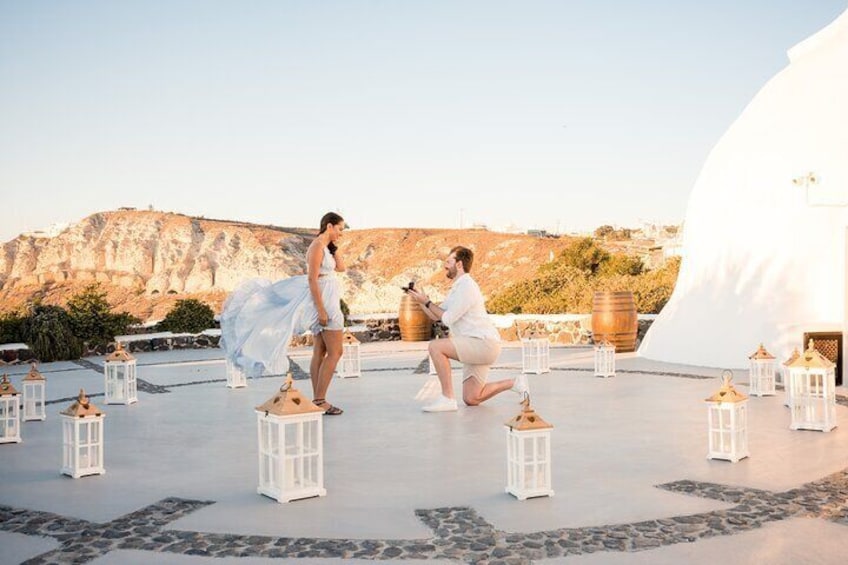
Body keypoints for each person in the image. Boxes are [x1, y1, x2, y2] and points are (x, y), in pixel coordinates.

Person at [220, 212, 347, 415]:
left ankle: (318, 399)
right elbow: (312, 280)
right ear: (329, 226)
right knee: (335, 352)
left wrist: (334, 247)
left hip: (328, 300)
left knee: (321, 352)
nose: (341, 233)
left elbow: (341, 268)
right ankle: (321, 400)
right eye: (340, 229)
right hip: (325, 305)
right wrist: (322, 310)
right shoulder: (316, 247)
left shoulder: (325, 247)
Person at [407, 246, 527, 412]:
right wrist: (420, 300)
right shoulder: (457, 288)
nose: (445, 265)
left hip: (483, 344)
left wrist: (427, 302)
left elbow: (447, 318)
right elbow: (436, 315)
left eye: (449, 261)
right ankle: (515, 383)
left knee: (435, 347)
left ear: (459, 264)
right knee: (472, 398)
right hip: (477, 345)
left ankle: (447, 398)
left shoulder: (467, 287)